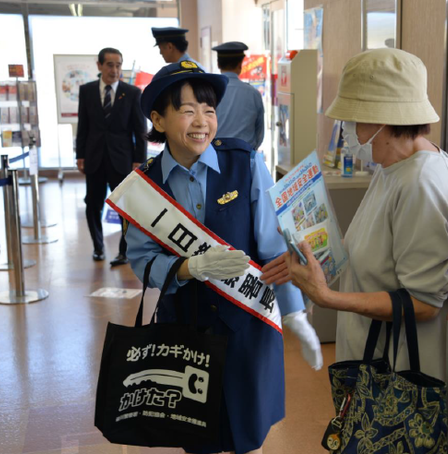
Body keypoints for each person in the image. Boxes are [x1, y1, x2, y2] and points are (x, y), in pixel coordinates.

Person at [124, 60, 323, 454]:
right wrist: (187, 267)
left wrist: (295, 314)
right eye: (187, 110)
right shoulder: (143, 186)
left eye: (209, 110)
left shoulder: (245, 163)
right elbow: (142, 261)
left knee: (249, 436)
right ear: (159, 121)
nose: (202, 121)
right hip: (185, 328)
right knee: (199, 437)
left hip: (248, 325)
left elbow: (272, 248)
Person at [262, 49, 448, 381]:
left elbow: (423, 303)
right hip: (373, 361)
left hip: (403, 378)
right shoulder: (394, 167)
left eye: (353, 120)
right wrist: (314, 253)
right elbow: (378, 257)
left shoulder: (421, 185)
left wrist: (327, 297)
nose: (347, 131)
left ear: (383, 120)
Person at [76, 47, 146, 266]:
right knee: (92, 204)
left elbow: (140, 129)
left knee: (125, 207)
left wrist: (138, 159)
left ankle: (124, 251)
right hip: (94, 157)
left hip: (122, 159)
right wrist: (80, 155)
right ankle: (98, 247)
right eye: (110, 65)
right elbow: (83, 126)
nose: (114, 70)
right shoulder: (86, 91)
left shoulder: (132, 92)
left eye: (118, 65)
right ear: (99, 65)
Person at [212, 42, 264, 150]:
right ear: (240, 65)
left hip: (215, 157)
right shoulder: (253, 94)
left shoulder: (210, 91)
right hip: (245, 157)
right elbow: (259, 133)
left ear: (218, 64)